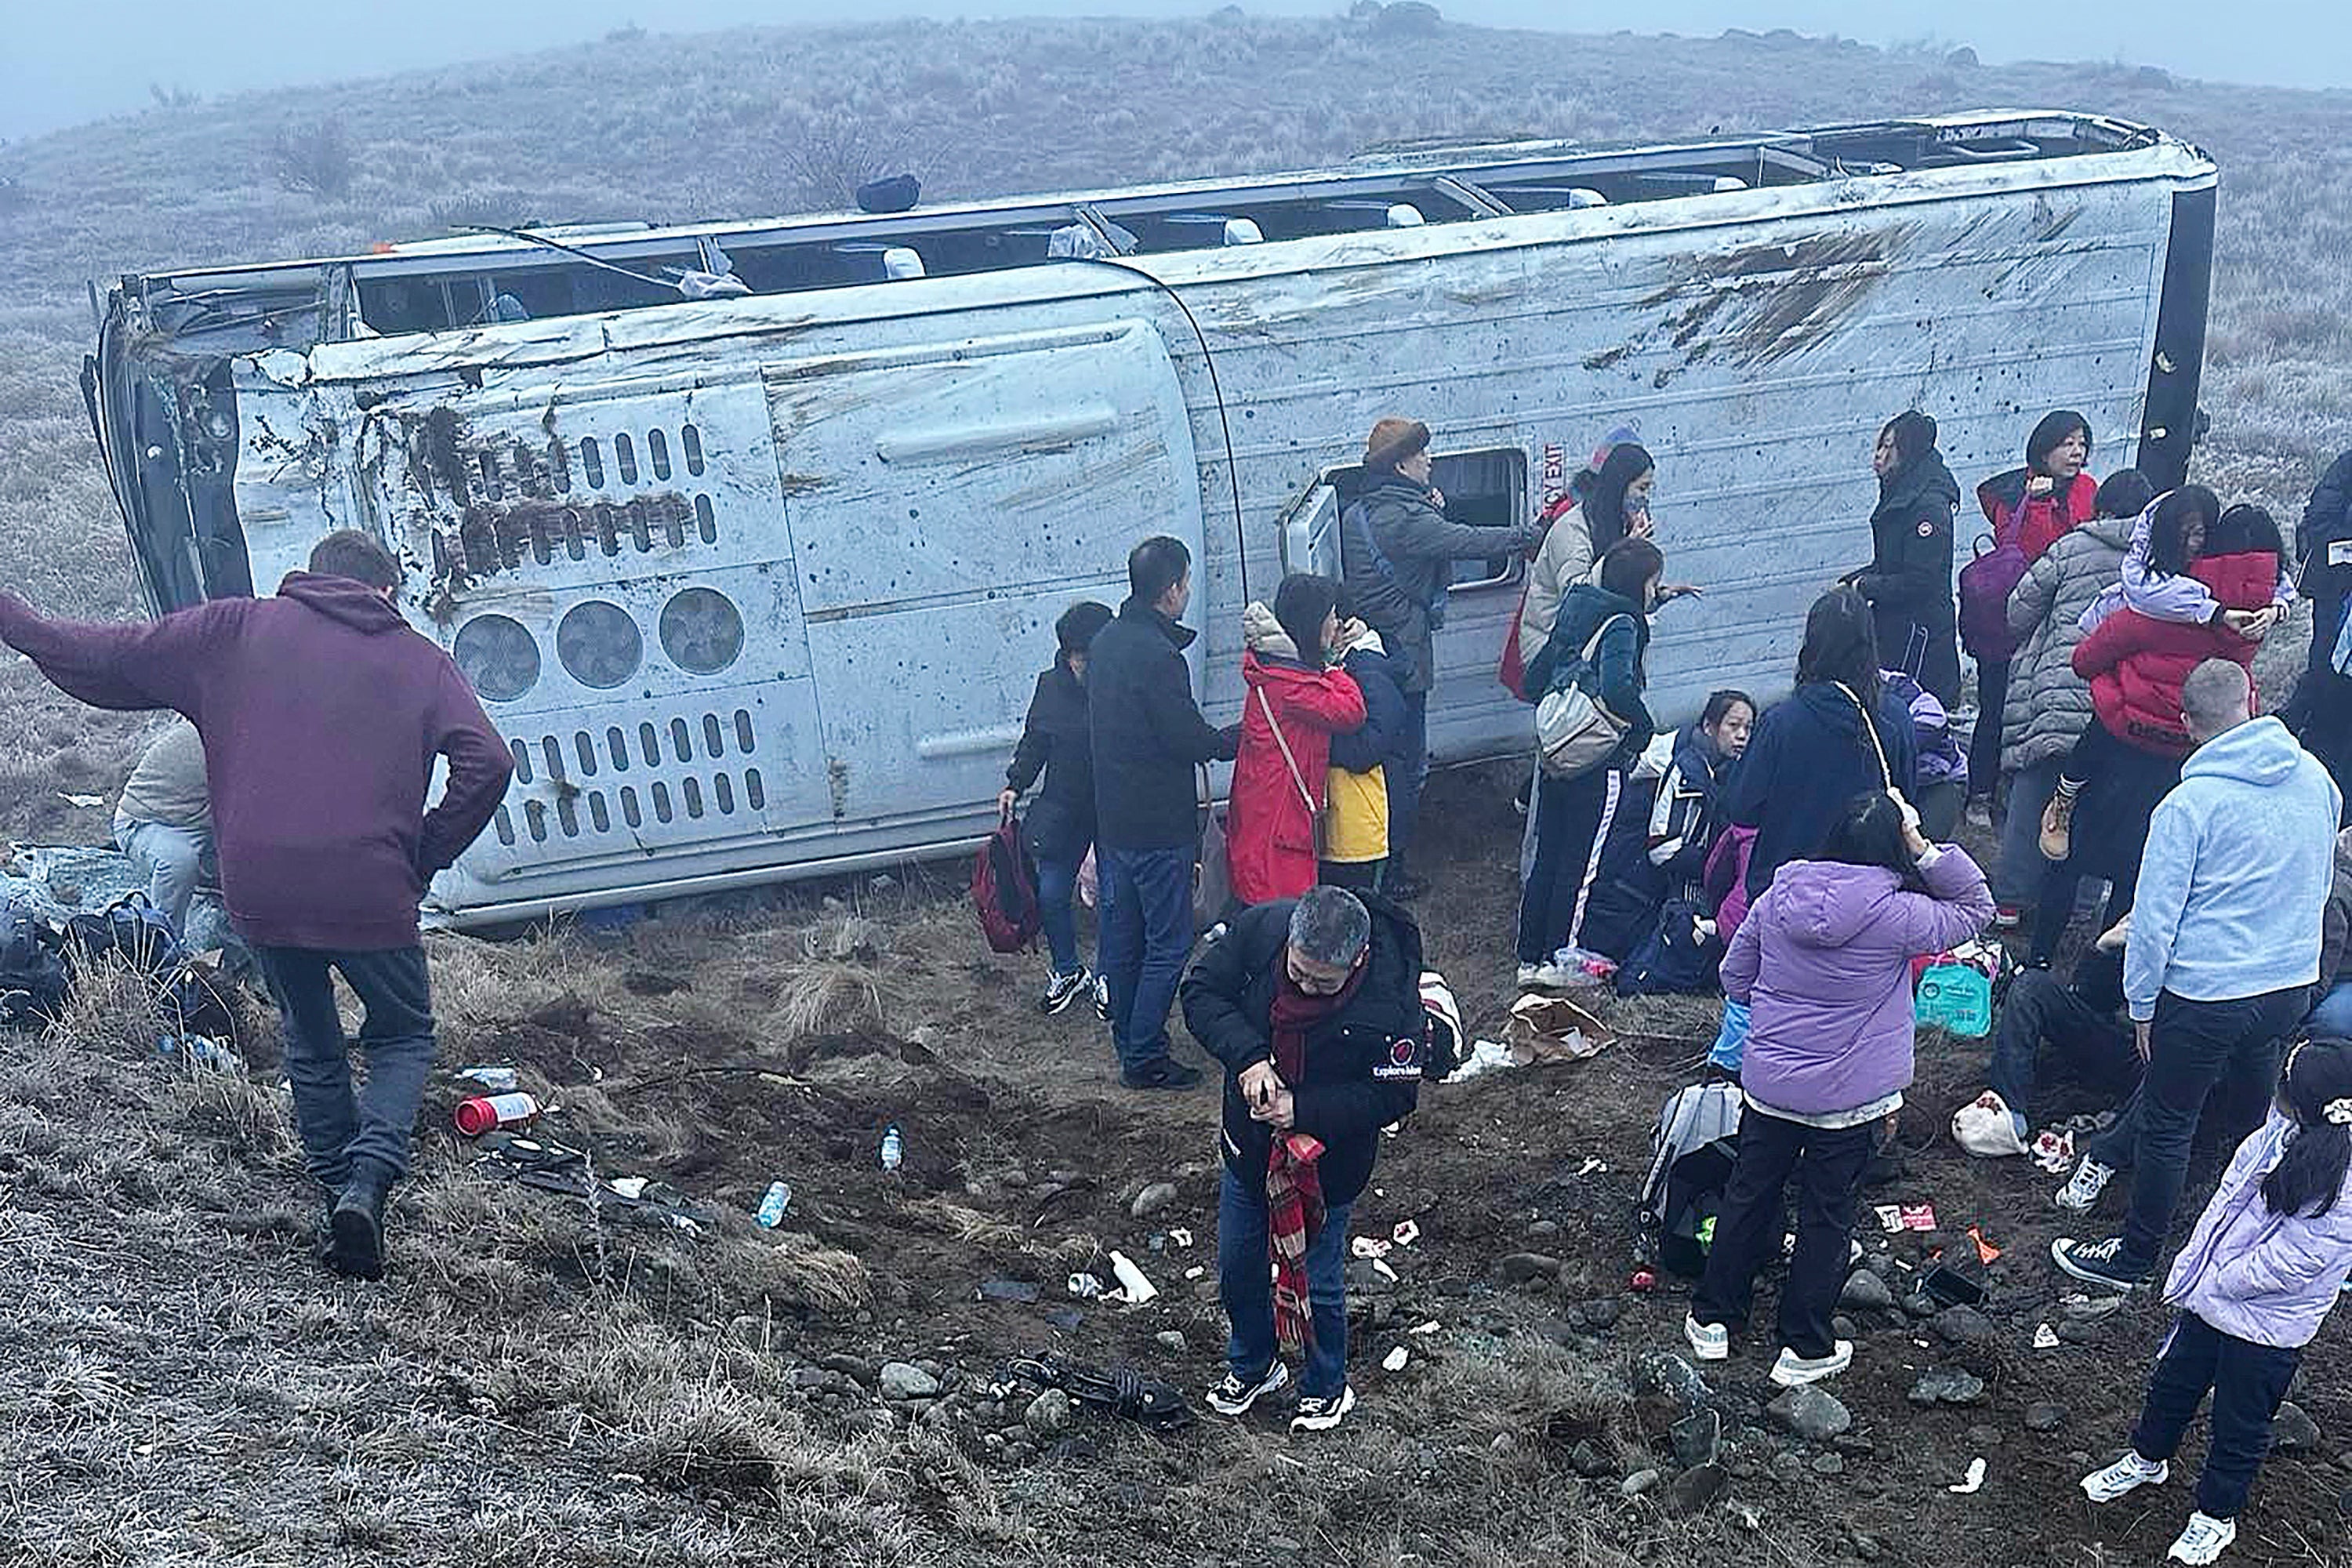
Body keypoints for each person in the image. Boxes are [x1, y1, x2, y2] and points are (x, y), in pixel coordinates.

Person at [0, 530, 514, 1280]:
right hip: (370, 888)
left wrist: (15, 619)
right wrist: (426, 854)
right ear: (386, 593)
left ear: (308, 579)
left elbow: (103, 657)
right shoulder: (418, 661)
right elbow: (489, 763)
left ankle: (338, 1195)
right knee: (401, 1035)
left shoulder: (233, 630)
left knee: (311, 1038)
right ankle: (368, 1183)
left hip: (261, 884)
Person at [1685, 792, 1994, 1385]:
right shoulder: (1899, 915)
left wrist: (1778, 1014)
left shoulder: (1777, 897)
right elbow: (1977, 906)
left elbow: (1734, 977)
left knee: (1749, 1195)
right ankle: (1804, 1347)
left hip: (1771, 1088)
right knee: (1828, 1214)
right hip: (1849, 1102)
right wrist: (1924, 847)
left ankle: (1713, 1320)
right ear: (1891, 845)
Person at [2053, 659, 2341, 1292]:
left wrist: (2143, 1006)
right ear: (2254, 699)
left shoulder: (2188, 804)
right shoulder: (2318, 780)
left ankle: (2134, 1260)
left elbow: (2154, 920)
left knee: (2167, 1123)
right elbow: (2320, 885)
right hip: (2287, 983)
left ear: (2186, 724)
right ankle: (2242, 1234)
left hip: (2208, 991)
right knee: (2254, 1114)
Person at [2077, 1040, 2352, 1566]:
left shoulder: (2344, 1178)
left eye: (2285, 1085)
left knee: (2241, 1424)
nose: (2277, 1090)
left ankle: (2215, 1516)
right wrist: (2195, 1267)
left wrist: (2218, 1280)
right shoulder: (2272, 1137)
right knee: (2172, 1383)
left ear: (2308, 1102)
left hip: (2266, 1328)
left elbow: (2298, 1259)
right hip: (2211, 1301)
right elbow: (2224, 1203)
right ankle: (2147, 1458)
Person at [1181, 885, 1426, 1436]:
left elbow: (1394, 1094)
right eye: (1298, 973)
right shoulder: (1264, 929)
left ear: (1357, 960)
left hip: (1330, 1163)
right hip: (1250, 1144)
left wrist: (1304, 1109)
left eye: (1323, 983)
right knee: (1239, 1266)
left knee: (1318, 1280)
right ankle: (1254, 1365)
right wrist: (1247, 1058)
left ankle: (1325, 1385)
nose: (1306, 987)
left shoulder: (1392, 996)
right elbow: (1200, 993)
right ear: (1289, 942)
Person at [2036, 498, 2279, 967]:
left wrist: (2114, 695)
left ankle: (2040, 957)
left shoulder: (2146, 614)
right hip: (2177, 764)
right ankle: (2106, 972)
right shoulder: (2241, 632)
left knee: (2071, 856)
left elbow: (2084, 660)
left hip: (2116, 747)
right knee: (2139, 866)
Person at [1341, 417, 1541, 897]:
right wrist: (1527, 537)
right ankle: (1390, 872)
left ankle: (1385, 862)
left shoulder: (1368, 510)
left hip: (1378, 652)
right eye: (1423, 454)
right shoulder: (1405, 520)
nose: (1431, 460)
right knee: (1408, 767)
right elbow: (1463, 541)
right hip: (1401, 659)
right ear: (1403, 464)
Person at [1087, 535, 1240, 1091]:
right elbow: (1182, 737)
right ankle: (1146, 1054)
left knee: (1124, 938)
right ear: (1172, 589)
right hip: (1157, 825)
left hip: (1115, 823)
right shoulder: (1158, 656)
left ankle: (1128, 1038)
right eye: (1187, 583)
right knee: (1170, 942)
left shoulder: (1105, 641)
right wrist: (1229, 740)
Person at [1996, 468, 2158, 935]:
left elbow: (2018, 609)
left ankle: (2009, 901)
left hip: (2055, 692)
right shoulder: (2158, 567)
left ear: (2101, 507)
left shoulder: (2069, 547)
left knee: (2033, 799)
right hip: (2114, 705)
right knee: (2095, 806)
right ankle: (2082, 906)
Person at [1514, 539, 1663, 988]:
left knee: (1548, 855)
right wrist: (1642, 730)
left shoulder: (1578, 608)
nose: (1655, 593)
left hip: (1557, 752)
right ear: (1639, 586)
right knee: (1581, 865)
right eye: (1654, 584)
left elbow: (1536, 677)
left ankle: (1529, 956)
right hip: (1596, 760)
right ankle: (1563, 959)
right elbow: (1618, 688)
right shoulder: (1622, 625)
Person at [1723, 587, 1920, 903]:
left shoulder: (1780, 723)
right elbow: (1906, 799)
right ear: (1870, 643)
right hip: (1869, 898)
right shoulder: (1895, 719)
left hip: (1785, 895)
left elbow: (1741, 808)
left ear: (1810, 645)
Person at [1965, 410, 2097, 814]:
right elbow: (2032, 555)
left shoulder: (2087, 489)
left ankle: (2026, 793)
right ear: (2044, 450)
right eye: (2067, 444)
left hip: (2061, 623)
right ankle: (1981, 793)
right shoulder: (2016, 495)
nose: (2077, 452)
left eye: (2081, 443)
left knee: (2042, 709)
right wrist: (2039, 505)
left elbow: (2082, 545)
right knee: (1997, 704)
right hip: (2013, 620)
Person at [1000, 601, 1113, 1015]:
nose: (1081, 665)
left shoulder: (1120, 682)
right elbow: (1036, 741)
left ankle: (1109, 976)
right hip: (1063, 806)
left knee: (1114, 898)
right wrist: (1016, 782)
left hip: (1112, 806)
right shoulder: (1050, 686)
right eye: (1076, 657)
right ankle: (1068, 970)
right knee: (1050, 894)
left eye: (1087, 657)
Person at [1229, 575, 1367, 907]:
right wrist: (1335, 665)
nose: (1337, 624)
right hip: (1279, 826)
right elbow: (1351, 711)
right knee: (1280, 916)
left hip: (1263, 815)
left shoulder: (1276, 669)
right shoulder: (1292, 685)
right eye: (1331, 618)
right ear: (1312, 625)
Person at [1951, 942, 2140, 1160]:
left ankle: (2122, 1131)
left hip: (2164, 1066)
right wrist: (2104, 949)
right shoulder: (2147, 919)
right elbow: (2091, 999)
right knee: (2030, 986)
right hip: (2122, 1044)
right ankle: (2007, 1111)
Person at [1846, 410, 1962, 706]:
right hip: (1896, 631)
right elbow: (1890, 562)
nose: (1879, 456)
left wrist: (1865, 587)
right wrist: (1850, 584)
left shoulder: (1928, 507)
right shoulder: (1900, 493)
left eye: (1889, 448)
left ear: (1907, 453)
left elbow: (1920, 579)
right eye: (1879, 446)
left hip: (1920, 642)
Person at [1518, 441, 1655, 661]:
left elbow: (1616, 592)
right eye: (1642, 488)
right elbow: (1576, 595)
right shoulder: (1573, 529)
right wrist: (1624, 554)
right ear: (1620, 486)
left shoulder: (1616, 523)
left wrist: (1654, 594)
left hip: (1588, 644)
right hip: (1551, 651)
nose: (1646, 498)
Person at [1321, 622, 1411, 893]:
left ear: (1346, 627)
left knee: (1366, 902)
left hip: (1371, 817)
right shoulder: (1352, 665)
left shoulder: (1368, 670)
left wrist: (1320, 743)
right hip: (1354, 817)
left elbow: (1368, 749)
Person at [112, 717, 216, 935]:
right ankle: (164, 942)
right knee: (181, 861)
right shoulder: (219, 732)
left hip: (203, 824)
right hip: (150, 822)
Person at [1881, 666, 1967, 841]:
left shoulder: (1895, 685)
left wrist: (1882, 746)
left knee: (1921, 846)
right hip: (1892, 787)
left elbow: (1934, 722)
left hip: (1936, 782)